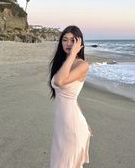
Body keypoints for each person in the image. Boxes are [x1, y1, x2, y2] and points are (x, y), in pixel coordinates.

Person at [49, 25, 94, 168]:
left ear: (79, 44)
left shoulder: (82, 65)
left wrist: (73, 54)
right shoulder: (62, 64)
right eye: (65, 40)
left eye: (73, 41)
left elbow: (59, 81)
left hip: (72, 126)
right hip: (60, 125)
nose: (68, 44)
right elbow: (72, 99)